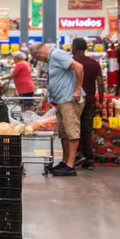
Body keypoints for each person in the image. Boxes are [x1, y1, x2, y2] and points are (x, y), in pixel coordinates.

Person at [29, 42, 84, 177]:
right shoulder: (51, 59)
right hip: (60, 101)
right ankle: (64, 162)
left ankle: (70, 166)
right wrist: (44, 99)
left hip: (69, 100)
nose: (37, 61)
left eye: (35, 58)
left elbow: (79, 67)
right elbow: (54, 82)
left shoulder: (58, 55)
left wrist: (77, 90)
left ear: (37, 54)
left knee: (72, 132)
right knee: (63, 133)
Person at [71, 38, 105, 170]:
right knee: (86, 130)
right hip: (90, 100)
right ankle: (89, 159)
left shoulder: (71, 63)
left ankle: (75, 157)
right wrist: (101, 101)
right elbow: (100, 83)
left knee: (73, 129)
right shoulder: (94, 64)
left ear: (74, 47)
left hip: (74, 100)